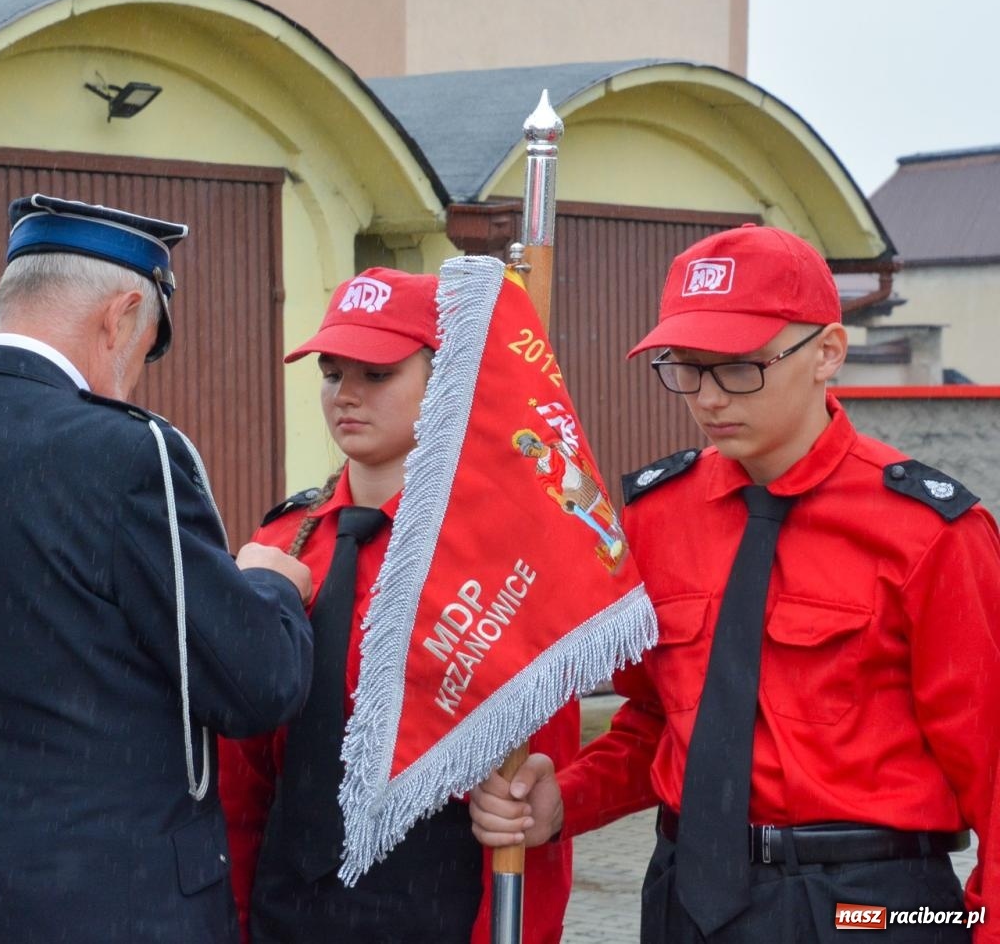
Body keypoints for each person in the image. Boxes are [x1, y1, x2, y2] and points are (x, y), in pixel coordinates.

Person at [471, 225, 1000, 942]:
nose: (710, 397)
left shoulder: (929, 532)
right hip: (686, 899)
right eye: (686, 366)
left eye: (739, 367)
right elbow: (658, 721)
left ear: (828, 354)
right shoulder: (658, 518)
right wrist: (562, 801)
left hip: (869, 907)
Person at [0, 193, 316, 943]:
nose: (135, 373)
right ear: (120, 314)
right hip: (122, 905)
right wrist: (268, 583)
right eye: (147, 343)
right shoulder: (129, 455)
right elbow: (256, 685)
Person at [218, 267, 578, 943]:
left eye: (377, 374)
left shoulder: (500, 562)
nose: (345, 396)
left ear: (445, 379)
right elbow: (241, 781)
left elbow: (531, 807)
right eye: (332, 372)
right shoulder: (281, 548)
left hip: (434, 912)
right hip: (284, 916)